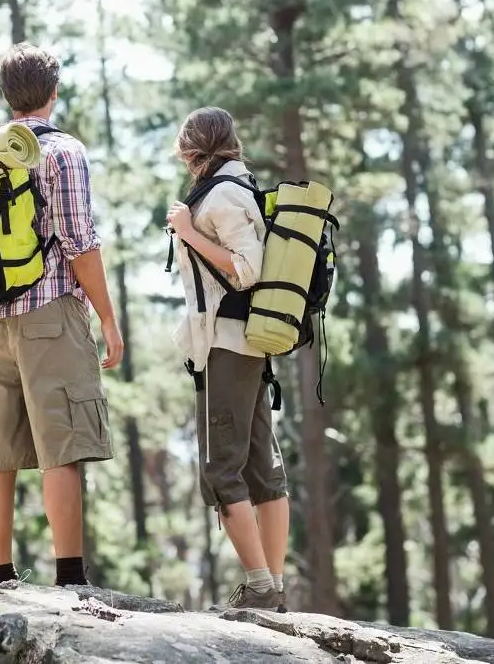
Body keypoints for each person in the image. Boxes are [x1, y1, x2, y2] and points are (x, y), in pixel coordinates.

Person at [0, 42, 124, 589]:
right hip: (50, 313)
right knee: (61, 443)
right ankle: (70, 577)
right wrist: (107, 318)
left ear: (7, 95)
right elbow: (79, 242)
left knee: (0, 450)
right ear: (54, 92)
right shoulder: (62, 152)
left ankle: (1, 573)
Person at [165, 106, 291, 612]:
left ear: (194, 149)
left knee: (223, 471)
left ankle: (260, 586)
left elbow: (247, 270)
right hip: (249, 342)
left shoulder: (221, 195)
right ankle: (273, 588)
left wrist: (189, 233)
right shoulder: (241, 187)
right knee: (262, 467)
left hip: (228, 343)